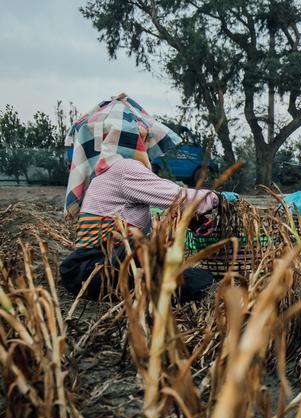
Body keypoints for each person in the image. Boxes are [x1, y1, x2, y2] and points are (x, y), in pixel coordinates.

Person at [59, 94, 236, 302]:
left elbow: (152, 206)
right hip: (98, 270)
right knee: (198, 282)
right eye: (142, 139)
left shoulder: (107, 171)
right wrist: (216, 197)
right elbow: (178, 196)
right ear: (132, 140)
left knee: (175, 268)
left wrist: (190, 218)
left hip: (88, 270)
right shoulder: (124, 169)